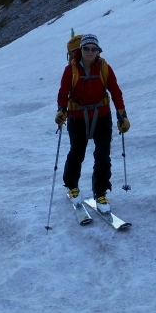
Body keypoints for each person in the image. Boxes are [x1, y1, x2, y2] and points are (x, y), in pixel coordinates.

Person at [55, 33, 130, 213]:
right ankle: (72, 186)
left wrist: (122, 115)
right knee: (77, 154)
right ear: (80, 50)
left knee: (103, 156)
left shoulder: (105, 68)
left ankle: (101, 192)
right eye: (87, 48)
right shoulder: (70, 70)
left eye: (93, 48)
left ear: (98, 51)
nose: (90, 51)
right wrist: (61, 109)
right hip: (77, 118)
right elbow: (63, 92)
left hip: (102, 117)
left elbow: (116, 92)